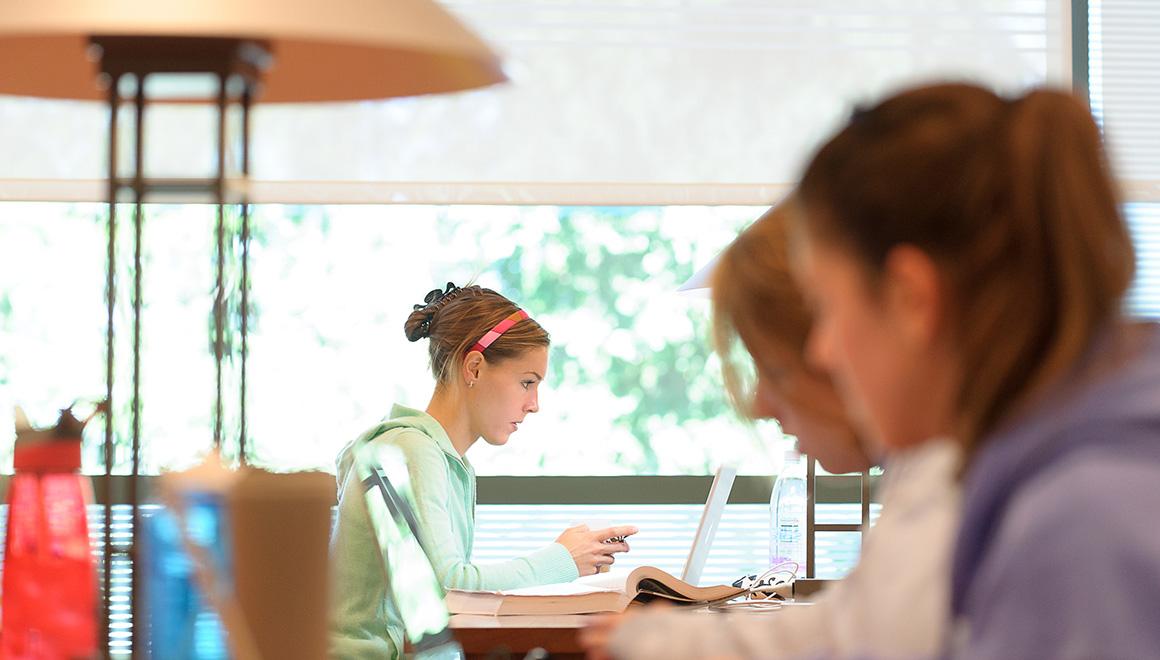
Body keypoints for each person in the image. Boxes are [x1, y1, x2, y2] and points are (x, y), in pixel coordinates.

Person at [793, 82, 1160, 657]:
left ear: (911, 300)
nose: (821, 352)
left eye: (825, 308)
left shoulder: (1079, 530)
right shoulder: (1069, 474)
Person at [580, 200, 961, 658]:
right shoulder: (930, 474)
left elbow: (867, 634)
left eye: (776, 368)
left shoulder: (958, 484)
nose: (760, 406)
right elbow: (858, 624)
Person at [330, 282, 637, 658]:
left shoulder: (445, 461)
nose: (534, 404)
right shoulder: (411, 451)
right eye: (527, 382)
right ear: (474, 366)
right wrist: (563, 559)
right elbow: (450, 588)